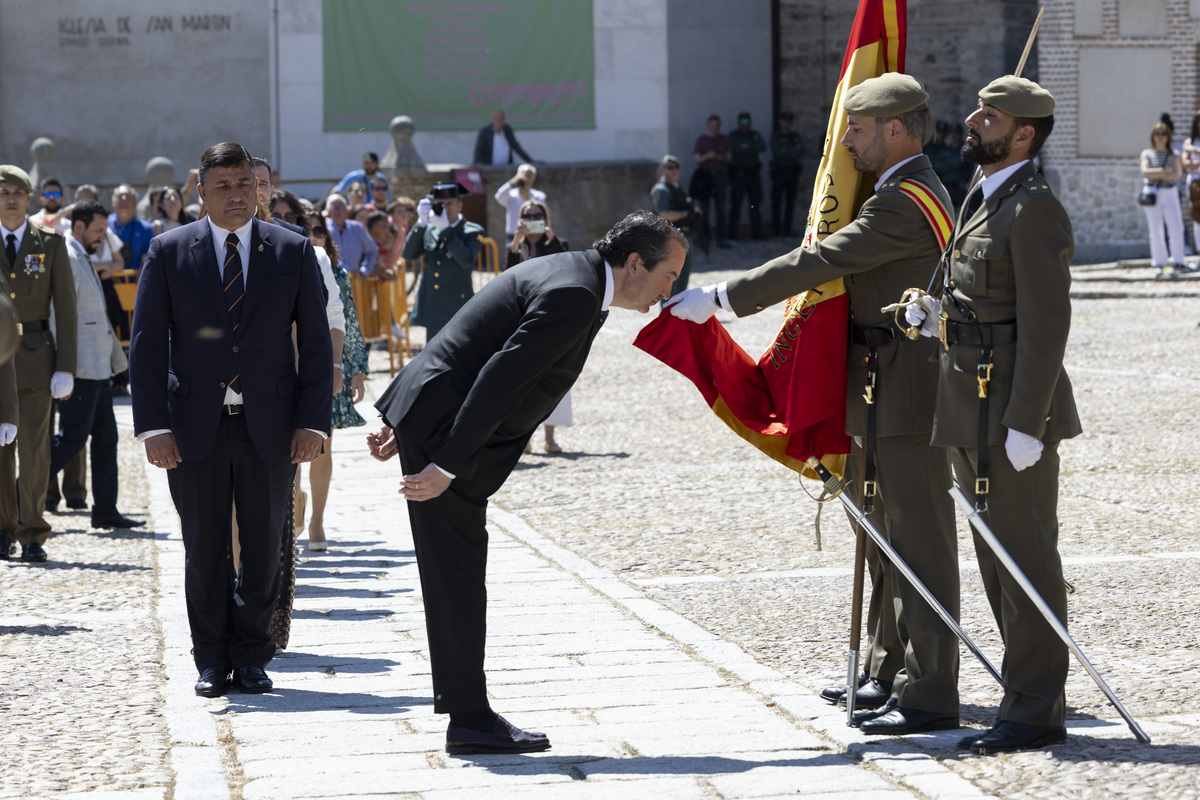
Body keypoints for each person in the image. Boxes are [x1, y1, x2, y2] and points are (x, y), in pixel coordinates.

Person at [667, 74, 959, 736]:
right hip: (877, 388)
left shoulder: (906, 202)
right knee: (883, 537)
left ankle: (933, 688)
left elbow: (825, 257)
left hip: (906, 394)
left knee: (919, 540)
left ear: (896, 129)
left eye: (856, 129)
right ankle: (890, 669)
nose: (846, 142)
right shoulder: (892, 192)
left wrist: (725, 298)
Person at [368, 210, 687, 754]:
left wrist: (410, 417)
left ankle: (469, 714)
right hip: (451, 432)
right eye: (669, 276)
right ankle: (468, 719)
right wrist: (444, 463)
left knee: (457, 573)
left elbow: (472, 336)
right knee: (457, 576)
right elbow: (499, 377)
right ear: (635, 263)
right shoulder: (577, 292)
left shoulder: (579, 277)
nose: (670, 289)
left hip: (440, 416)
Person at [907, 75, 1081, 755]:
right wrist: (930, 314)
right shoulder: (986, 195)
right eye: (978, 111)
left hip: (1009, 413)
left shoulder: (1034, 209)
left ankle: (1036, 712)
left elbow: (1046, 325)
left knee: (1026, 560)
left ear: (1023, 134)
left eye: (990, 116)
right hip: (969, 404)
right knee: (994, 560)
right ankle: (1023, 696)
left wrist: (1027, 423)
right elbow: (976, 293)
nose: (972, 121)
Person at [129, 142, 332, 698]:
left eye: (244, 183)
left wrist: (314, 422)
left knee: (266, 548)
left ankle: (251, 654)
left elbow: (315, 344)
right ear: (201, 192)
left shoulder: (291, 251)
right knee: (205, 545)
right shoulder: (168, 252)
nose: (236, 194)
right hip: (194, 426)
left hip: (272, 423)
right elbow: (145, 348)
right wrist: (153, 427)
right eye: (223, 186)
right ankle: (211, 658)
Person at [48, 200, 143, 530]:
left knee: (106, 440)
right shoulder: (68, 257)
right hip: (80, 367)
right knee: (72, 439)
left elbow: (96, 317)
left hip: (98, 366)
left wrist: (116, 361)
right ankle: (18, 495)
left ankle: (105, 510)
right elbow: (59, 317)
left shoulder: (80, 254)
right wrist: (64, 368)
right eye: (99, 230)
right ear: (78, 227)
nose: (103, 236)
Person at [0, 165, 77, 563]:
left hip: (34, 358)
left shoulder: (49, 243)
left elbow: (65, 308)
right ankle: (2, 528)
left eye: (17, 191)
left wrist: (67, 365)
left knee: (33, 448)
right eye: (3, 192)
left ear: (29, 198)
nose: (10, 198)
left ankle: (32, 530)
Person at [505, 199, 570, 454]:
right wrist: (516, 241)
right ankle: (525, 437)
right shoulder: (515, 246)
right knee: (525, 380)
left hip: (552, 316)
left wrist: (550, 237)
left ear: (545, 217)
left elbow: (567, 267)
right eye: (527, 214)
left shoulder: (556, 242)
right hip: (525, 316)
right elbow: (507, 276)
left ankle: (550, 437)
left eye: (536, 214)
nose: (532, 218)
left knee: (554, 377)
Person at [403, 182, 483, 341]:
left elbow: (466, 260)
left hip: (456, 305)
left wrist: (446, 231)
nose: (445, 208)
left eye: (449, 203)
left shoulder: (472, 230)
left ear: (460, 205)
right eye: (440, 204)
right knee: (432, 358)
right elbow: (408, 254)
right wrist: (421, 223)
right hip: (432, 305)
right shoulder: (429, 228)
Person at [1140, 118, 1188, 278]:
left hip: (1170, 192)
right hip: (1153, 193)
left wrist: (1158, 172)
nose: (1160, 136)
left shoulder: (1174, 154)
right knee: (1155, 230)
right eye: (1157, 134)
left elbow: (1177, 174)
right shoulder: (1146, 154)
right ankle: (1159, 263)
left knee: (1176, 227)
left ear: (1168, 136)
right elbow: (1146, 172)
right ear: (1152, 136)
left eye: (1163, 134)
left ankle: (1178, 260)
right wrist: (1164, 171)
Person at [649, 155, 695, 298]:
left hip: (684, 236)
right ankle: (668, 314)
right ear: (663, 169)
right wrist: (685, 214)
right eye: (670, 167)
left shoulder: (676, 187)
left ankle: (677, 314)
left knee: (683, 280)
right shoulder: (661, 190)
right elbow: (663, 214)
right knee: (671, 282)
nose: (673, 171)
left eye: (676, 168)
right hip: (671, 239)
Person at [692, 115, 732, 248]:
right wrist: (708, 156)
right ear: (708, 125)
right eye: (711, 126)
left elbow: (729, 158)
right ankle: (705, 238)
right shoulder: (702, 140)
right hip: (706, 178)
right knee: (704, 210)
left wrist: (719, 157)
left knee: (721, 209)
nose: (714, 128)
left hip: (720, 176)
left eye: (716, 126)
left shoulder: (724, 139)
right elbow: (697, 159)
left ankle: (721, 238)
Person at [727, 111, 767, 240]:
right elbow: (735, 148)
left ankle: (757, 233)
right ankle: (732, 233)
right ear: (738, 123)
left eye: (747, 122)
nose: (745, 124)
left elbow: (762, 146)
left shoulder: (754, 135)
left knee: (755, 205)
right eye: (742, 122)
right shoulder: (734, 135)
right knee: (736, 205)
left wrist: (747, 147)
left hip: (753, 175)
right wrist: (749, 149)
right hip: (738, 175)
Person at [325, 193, 378, 278]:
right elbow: (326, 256)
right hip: (333, 280)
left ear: (346, 210)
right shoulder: (323, 230)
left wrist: (365, 270)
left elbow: (372, 250)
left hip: (355, 281)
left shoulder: (357, 227)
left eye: (341, 206)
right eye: (334, 207)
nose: (338, 210)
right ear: (328, 211)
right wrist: (347, 270)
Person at [769, 112, 805, 237]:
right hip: (779, 171)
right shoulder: (776, 136)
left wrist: (786, 150)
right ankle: (776, 230)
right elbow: (777, 151)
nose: (787, 123)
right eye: (785, 120)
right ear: (780, 121)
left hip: (792, 172)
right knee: (777, 201)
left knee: (790, 202)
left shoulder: (794, 136)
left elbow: (801, 149)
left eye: (789, 121)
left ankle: (787, 230)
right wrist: (791, 151)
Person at [493, 164, 546, 241]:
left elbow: (541, 212)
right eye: (525, 175)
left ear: (534, 178)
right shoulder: (511, 194)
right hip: (513, 236)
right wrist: (513, 181)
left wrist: (526, 197)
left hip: (534, 235)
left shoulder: (539, 196)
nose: (527, 178)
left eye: (530, 176)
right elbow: (499, 196)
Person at [1182, 111, 1200, 263]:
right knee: (1197, 218)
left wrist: (1194, 151)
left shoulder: (1191, 146)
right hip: (1195, 184)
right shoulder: (1189, 141)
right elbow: (1186, 164)